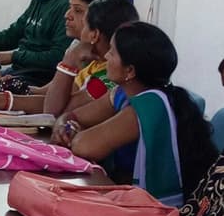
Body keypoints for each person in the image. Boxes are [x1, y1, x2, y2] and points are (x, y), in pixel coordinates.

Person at [51, 21, 218, 206]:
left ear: (129, 71)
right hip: (120, 186)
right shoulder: (122, 93)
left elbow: (84, 146)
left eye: (112, 52)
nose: (106, 55)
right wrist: (64, 124)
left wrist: (71, 130)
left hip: (159, 210)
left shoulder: (148, 107)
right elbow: (72, 115)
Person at [0, 0, 126, 114]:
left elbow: (55, 109)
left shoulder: (106, 75)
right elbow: (47, 94)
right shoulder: (87, 58)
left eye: (78, 11)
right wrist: (0, 87)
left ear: (95, 31)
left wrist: (69, 60)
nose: (67, 15)